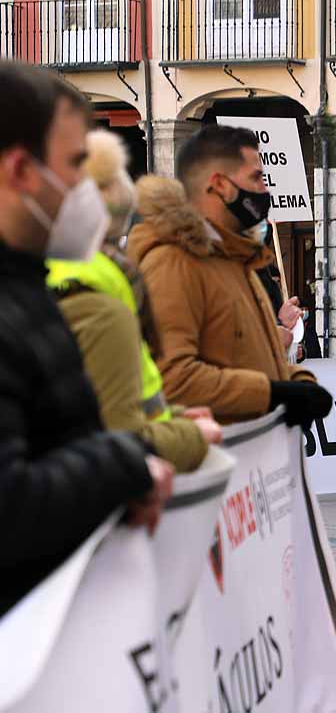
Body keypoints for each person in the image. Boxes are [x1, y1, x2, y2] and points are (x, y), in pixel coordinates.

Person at [0, 62, 173, 615]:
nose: (87, 192)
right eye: (75, 165)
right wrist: (126, 464)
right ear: (22, 170)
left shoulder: (29, 288)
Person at [127, 124, 332, 428]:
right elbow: (173, 379)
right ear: (220, 185)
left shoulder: (237, 262)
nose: (265, 189)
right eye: (256, 178)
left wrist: (299, 382)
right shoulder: (173, 262)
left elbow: (248, 359)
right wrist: (273, 393)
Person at [46, 129, 219, 471]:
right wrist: (192, 435)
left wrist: (173, 415)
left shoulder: (82, 277)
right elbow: (120, 439)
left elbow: (118, 398)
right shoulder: (95, 295)